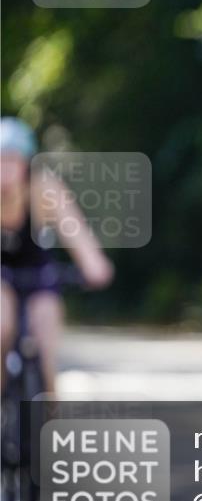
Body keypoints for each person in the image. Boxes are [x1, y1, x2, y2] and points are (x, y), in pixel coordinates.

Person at [0, 117, 114, 396]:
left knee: (47, 348)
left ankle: (47, 411)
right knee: (2, 326)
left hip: (40, 274)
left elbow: (75, 230)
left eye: (12, 160)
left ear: (26, 163)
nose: (5, 168)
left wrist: (94, 265)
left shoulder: (44, 188)